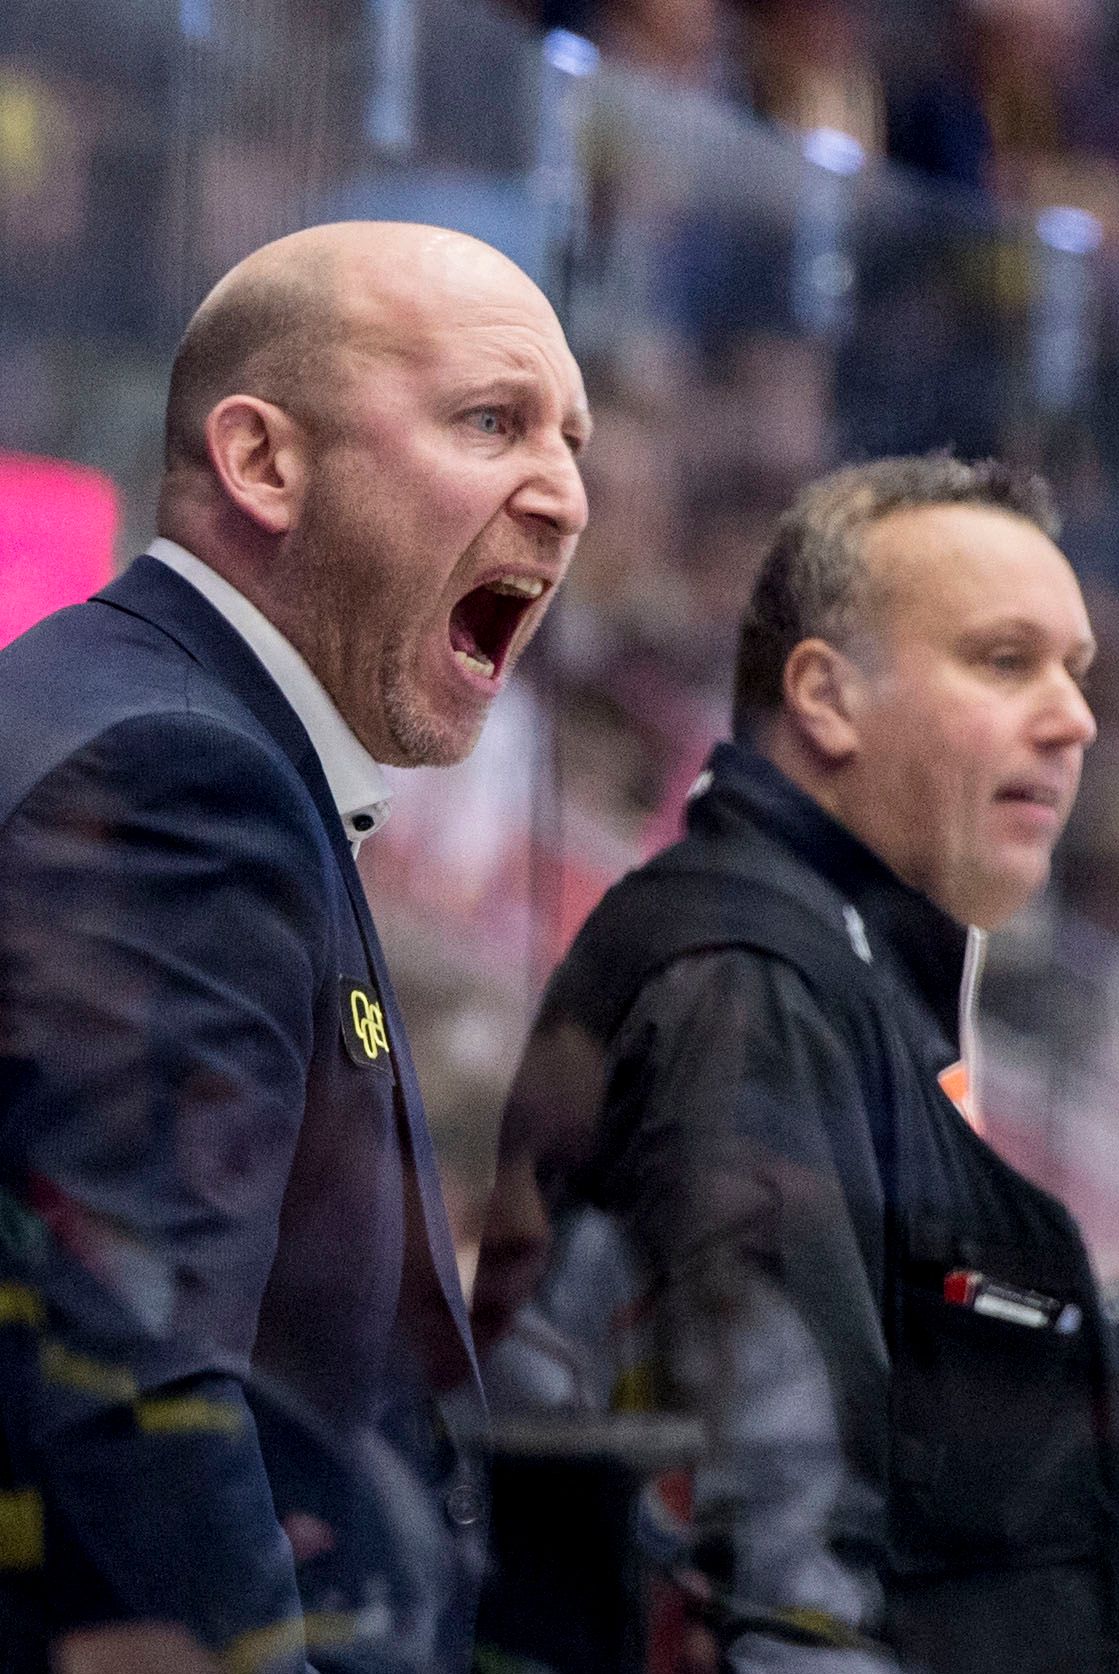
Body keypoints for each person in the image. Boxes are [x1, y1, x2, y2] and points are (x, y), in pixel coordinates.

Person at [0, 220, 591, 1670]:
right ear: (263, 460)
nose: (567, 497)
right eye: (492, 420)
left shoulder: (144, 721)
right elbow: (136, 1395)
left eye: (574, 443)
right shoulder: (177, 776)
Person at [470, 453, 1119, 1673]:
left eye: (1075, 672)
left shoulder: (837, 977)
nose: (1072, 719)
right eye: (1005, 661)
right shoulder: (752, 986)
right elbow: (784, 1566)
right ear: (826, 699)